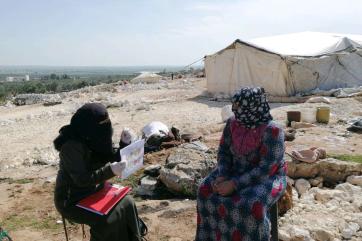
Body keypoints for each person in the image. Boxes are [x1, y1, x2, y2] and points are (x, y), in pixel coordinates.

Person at [195, 87, 287, 241]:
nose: (234, 110)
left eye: (239, 107)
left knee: (250, 205)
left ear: (253, 107)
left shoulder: (273, 131)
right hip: (234, 170)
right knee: (205, 191)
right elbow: (224, 152)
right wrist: (223, 175)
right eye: (234, 106)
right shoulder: (232, 124)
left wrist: (234, 184)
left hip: (267, 177)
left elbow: (266, 169)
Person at [53, 103, 141, 241]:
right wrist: (110, 170)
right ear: (87, 126)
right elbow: (82, 180)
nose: (106, 127)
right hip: (72, 199)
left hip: (95, 190)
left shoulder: (96, 136)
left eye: (107, 122)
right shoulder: (70, 147)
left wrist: (125, 144)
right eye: (102, 123)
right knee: (106, 220)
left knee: (128, 203)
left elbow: (109, 155)